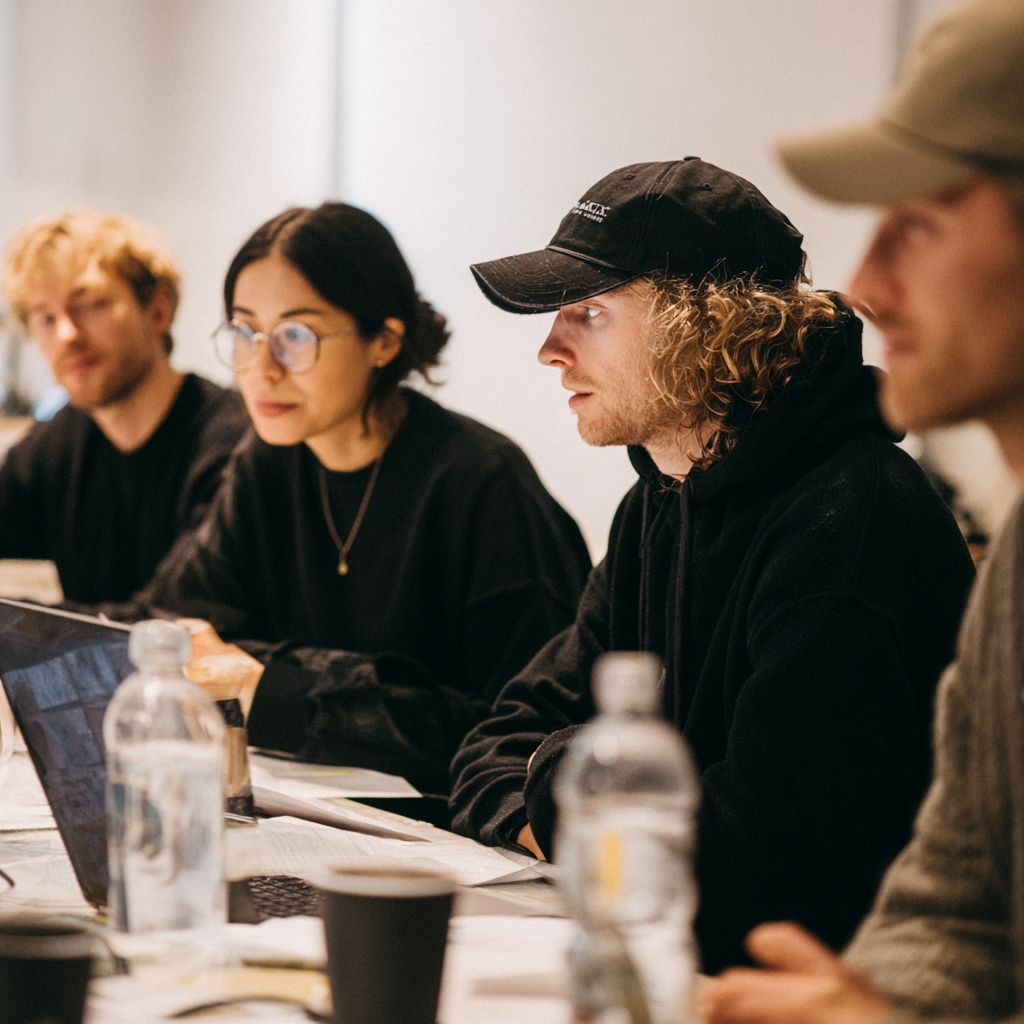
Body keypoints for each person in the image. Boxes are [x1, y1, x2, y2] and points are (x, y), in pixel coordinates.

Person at [448, 158, 976, 973]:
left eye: (588, 312)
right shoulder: (659, 500)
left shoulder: (852, 524)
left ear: (707, 322)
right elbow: (493, 743)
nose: (550, 351)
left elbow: (754, 873)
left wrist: (564, 781)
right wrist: (604, 806)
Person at [700, 1, 1024, 1021]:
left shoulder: (856, 513)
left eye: (917, 225)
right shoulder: (1014, 560)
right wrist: (865, 1000)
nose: (865, 285)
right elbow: (955, 910)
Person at [137, 202, 592, 798]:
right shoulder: (265, 461)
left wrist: (268, 685)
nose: (261, 369)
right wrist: (276, 679)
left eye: (296, 336)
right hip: (306, 811)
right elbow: (181, 629)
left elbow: (517, 734)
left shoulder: (479, 479)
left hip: (458, 843)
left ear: (384, 340)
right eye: (246, 333)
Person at [0, 209, 247, 605]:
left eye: (90, 304)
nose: (66, 334)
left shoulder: (232, 443)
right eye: (45, 318)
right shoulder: (57, 442)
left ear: (157, 311)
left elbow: (170, 622)